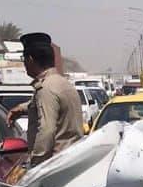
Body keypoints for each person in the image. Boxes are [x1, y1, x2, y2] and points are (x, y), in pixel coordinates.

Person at [6, 33, 84, 167]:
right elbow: (53, 105)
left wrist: (35, 164)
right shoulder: (62, 83)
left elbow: (46, 131)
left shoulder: (46, 89)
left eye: (23, 59)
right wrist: (22, 108)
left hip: (54, 165)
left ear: (30, 59)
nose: (24, 64)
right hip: (70, 160)